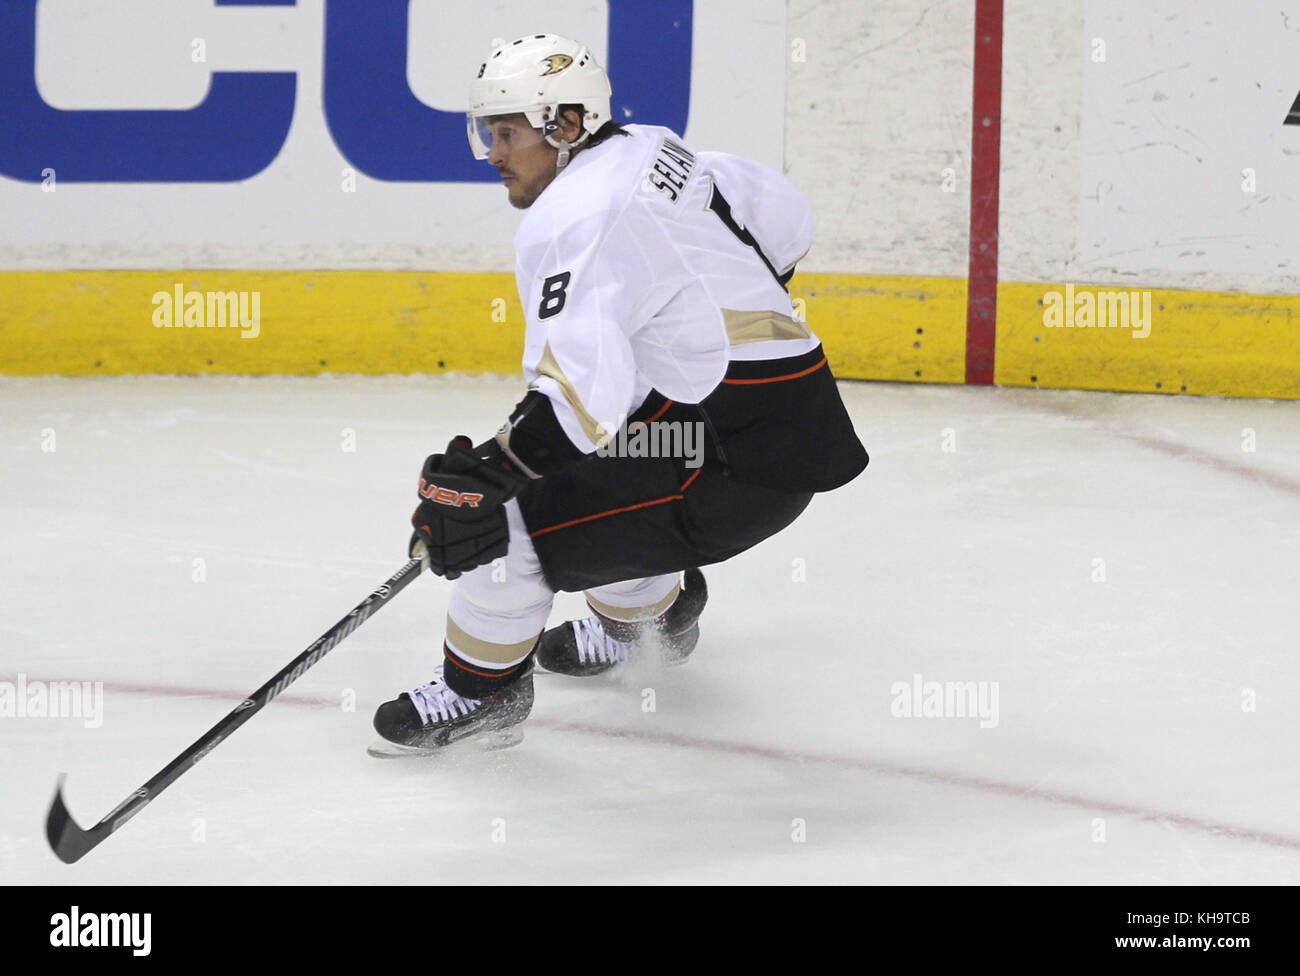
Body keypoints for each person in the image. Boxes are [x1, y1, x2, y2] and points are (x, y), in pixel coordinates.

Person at [371, 33, 868, 756]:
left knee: (507, 524)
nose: (491, 153)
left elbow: (579, 401)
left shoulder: (574, 216)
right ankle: (647, 620)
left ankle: (482, 694)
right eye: (487, 131)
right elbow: (783, 217)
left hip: (732, 466)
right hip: (764, 423)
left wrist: (489, 478)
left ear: (565, 125)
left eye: (505, 132)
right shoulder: (648, 146)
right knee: (599, 466)